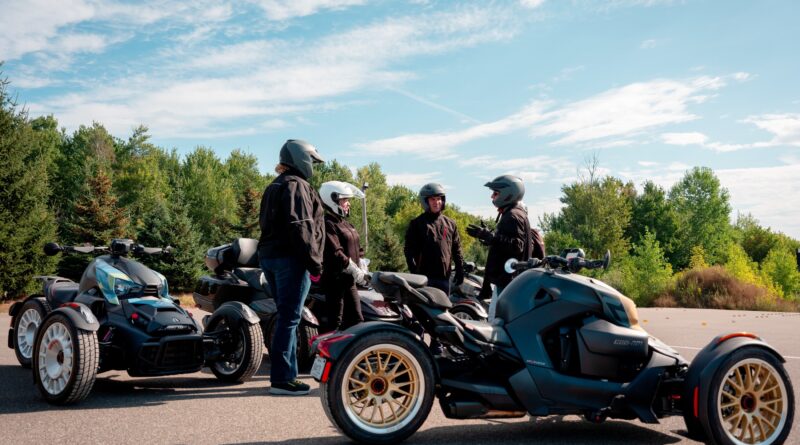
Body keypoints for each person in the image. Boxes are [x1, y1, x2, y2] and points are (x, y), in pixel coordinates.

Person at [258, 139, 325, 396]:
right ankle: (283, 379)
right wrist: (315, 263)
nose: (313, 167)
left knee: (286, 317)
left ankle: (286, 375)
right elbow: (302, 227)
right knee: (289, 318)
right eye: (312, 161)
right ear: (301, 158)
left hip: (270, 257)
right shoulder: (297, 185)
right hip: (290, 260)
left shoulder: (274, 185)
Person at [466, 175, 532, 321]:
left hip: (507, 281)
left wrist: (489, 236)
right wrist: (490, 238)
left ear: (508, 194)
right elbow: (508, 244)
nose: (492, 196)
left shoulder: (512, 216)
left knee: (497, 323)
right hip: (508, 280)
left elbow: (517, 246)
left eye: (495, 193)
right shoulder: (515, 213)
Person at [319, 181, 368, 332]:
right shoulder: (327, 223)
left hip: (349, 280)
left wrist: (362, 263)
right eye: (344, 200)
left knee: (357, 320)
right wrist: (352, 267)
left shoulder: (347, 224)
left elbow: (357, 247)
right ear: (332, 200)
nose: (348, 203)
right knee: (336, 321)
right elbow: (336, 251)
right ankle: (328, 348)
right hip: (335, 281)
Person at [404, 183, 465, 295]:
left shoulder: (450, 224)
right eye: (432, 199)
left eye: (439, 199)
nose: (436, 202)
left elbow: (456, 249)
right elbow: (408, 251)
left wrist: (460, 269)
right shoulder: (417, 224)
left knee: (444, 306)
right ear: (425, 201)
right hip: (424, 279)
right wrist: (414, 272)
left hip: (444, 278)